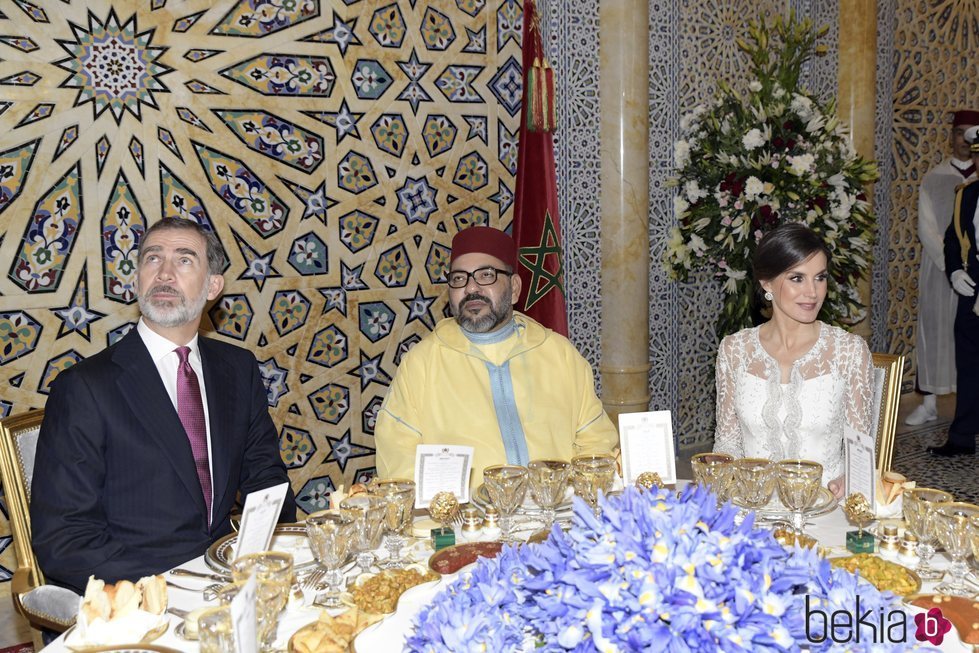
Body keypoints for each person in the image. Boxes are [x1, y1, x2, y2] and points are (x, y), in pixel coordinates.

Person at [31, 217, 296, 593]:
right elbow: (64, 538)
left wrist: (264, 554)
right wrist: (168, 588)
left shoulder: (238, 368)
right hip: (143, 591)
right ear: (137, 278)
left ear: (213, 286)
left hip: (231, 577)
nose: (165, 274)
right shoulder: (85, 387)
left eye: (185, 260)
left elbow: (266, 478)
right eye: (153, 259)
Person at [375, 226, 619, 485]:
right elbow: (397, 460)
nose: (471, 288)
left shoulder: (559, 354)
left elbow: (597, 445)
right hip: (466, 520)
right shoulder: (422, 363)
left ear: (514, 288)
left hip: (556, 516)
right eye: (459, 278)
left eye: (486, 275)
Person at [712, 223, 875, 498]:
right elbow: (727, 441)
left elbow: (860, 451)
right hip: (752, 504)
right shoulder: (734, 351)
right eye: (797, 278)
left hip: (826, 506)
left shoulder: (848, 351)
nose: (812, 292)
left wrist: (851, 477)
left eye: (820, 277)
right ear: (767, 283)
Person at [907, 110, 979, 425]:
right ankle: (929, 402)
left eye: (970, 133)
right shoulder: (935, 177)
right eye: (959, 132)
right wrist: (951, 265)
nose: (964, 140)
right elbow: (927, 227)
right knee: (934, 332)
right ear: (951, 136)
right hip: (940, 271)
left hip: (974, 274)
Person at [930, 128, 979, 456]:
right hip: (972, 291)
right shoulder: (968, 193)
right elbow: (952, 238)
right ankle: (962, 438)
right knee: (970, 365)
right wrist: (955, 270)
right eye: (977, 155)